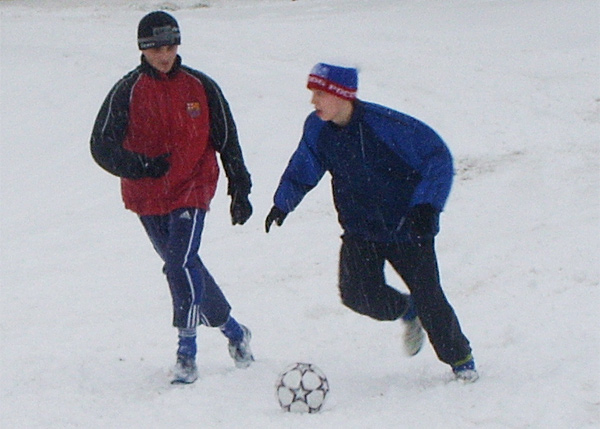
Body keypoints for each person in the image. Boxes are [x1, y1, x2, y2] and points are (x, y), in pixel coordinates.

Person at [265, 63, 478, 382]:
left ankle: (461, 361)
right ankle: (408, 311)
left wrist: (427, 205)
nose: (314, 101)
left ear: (342, 95)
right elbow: (303, 166)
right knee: (356, 293)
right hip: (360, 229)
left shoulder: (387, 126)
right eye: (313, 94)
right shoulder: (317, 128)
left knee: (429, 295)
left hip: (408, 228)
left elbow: (437, 158)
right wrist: (282, 204)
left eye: (320, 94)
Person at [91, 11, 254, 384]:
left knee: (178, 264)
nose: (165, 55)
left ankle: (187, 351)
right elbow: (101, 146)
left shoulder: (201, 86)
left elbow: (227, 137)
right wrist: (142, 167)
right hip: (147, 195)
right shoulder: (127, 91)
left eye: (170, 47)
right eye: (156, 49)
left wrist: (239, 186)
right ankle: (234, 331)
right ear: (143, 50)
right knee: (184, 265)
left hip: (193, 186)